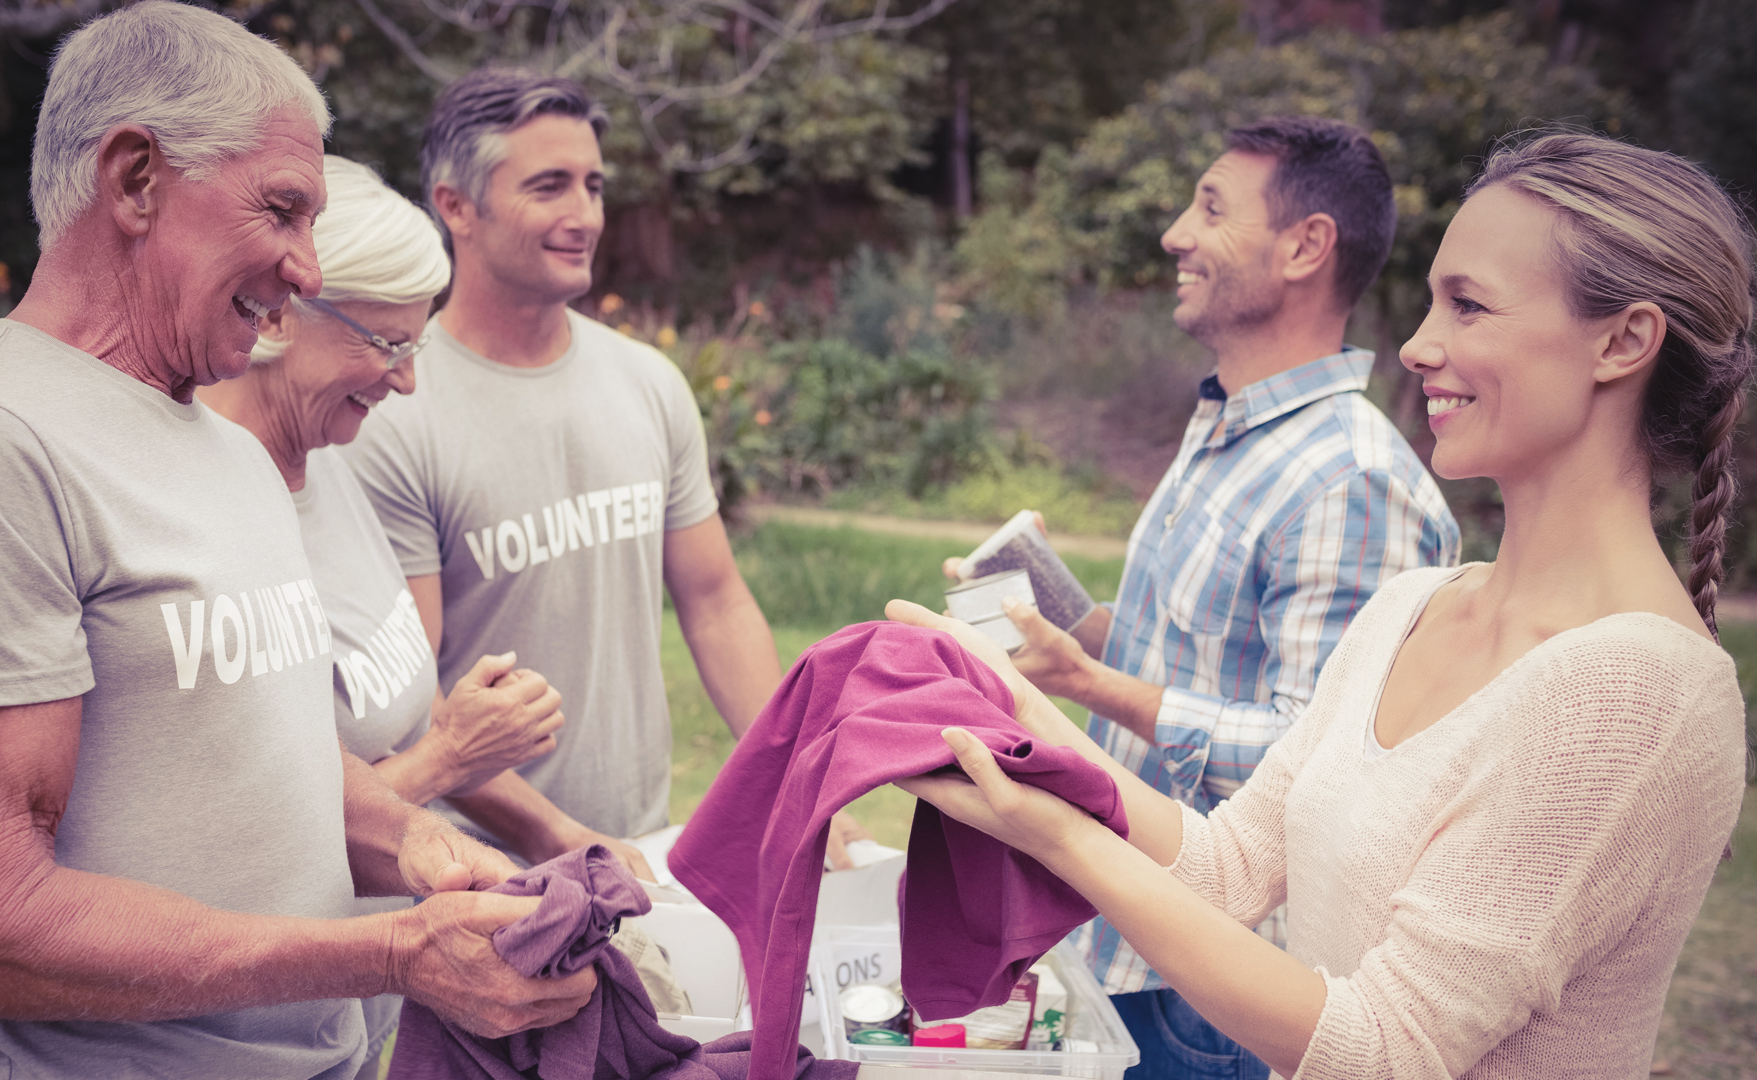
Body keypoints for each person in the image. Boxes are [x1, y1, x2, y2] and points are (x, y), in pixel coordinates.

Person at [0, 6, 593, 1078]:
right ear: (136, 178)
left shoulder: (233, 450)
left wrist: (421, 845)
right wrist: (388, 952)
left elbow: (271, 755)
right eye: (281, 210)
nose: (305, 266)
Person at [898, 129, 1750, 1079]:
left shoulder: (1641, 691)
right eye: (1431, 302)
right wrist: (1024, 728)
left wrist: (1050, 829)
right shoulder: (1411, 608)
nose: (1420, 347)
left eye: (1468, 305)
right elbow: (1229, 868)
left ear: (1623, 340)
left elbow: (1384, 1050)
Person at [945, 116, 1457, 1076]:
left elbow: (1320, 771)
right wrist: (1052, 611)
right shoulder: (1227, 422)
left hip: (1210, 990)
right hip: (1117, 934)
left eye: (1211, 208)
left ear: (1306, 246)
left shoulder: (1351, 481)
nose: (1176, 232)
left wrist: (1090, 690)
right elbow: (1183, 656)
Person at [197, 153, 660, 1070]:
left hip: (349, 1021)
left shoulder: (334, 469)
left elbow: (380, 734)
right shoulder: (209, 506)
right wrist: (448, 755)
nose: (406, 381)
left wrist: (556, 832)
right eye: (386, 344)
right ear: (286, 312)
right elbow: (242, 837)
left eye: (416, 346)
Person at [341, 70, 869, 863]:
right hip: (480, 872)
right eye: (549, 186)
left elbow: (717, 603)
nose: (584, 215)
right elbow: (413, 703)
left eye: (592, 186)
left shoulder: (646, 382)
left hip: (639, 844)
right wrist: (559, 837)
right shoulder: (398, 409)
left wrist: (809, 780)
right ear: (456, 207)